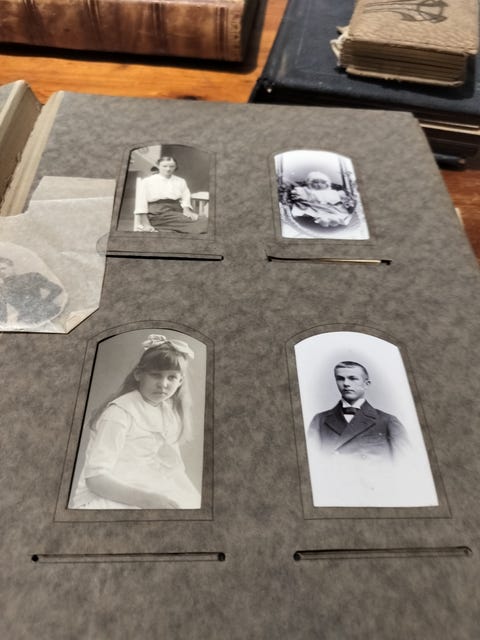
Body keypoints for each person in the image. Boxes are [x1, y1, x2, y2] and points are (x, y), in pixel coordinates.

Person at [70, 334, 201, 509]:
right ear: (139, 374)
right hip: (111, 490)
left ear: (180, 381)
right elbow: (95, 479)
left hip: (146, 483)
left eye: (172, 377)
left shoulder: (168, 412)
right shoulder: (119, 413)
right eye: (156, 375)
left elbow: (172, 467)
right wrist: (148, 500)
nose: (163, 384)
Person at [308, 360, 410, 461]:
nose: (346, 383)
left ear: (366, 384)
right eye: (340, 379)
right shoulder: (319, 420)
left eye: (352, 378)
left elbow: (406, 463)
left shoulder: (387, 421)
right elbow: (311, 461)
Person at [133, 155, 207, 234]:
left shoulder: (180, 181)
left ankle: (167, 229)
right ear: (158, 166)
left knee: (202, 220)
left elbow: (186, 196)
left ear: (175, 167)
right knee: (204, 223)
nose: (168, 169)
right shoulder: (147, 181)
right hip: (158, 213)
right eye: (164, 166)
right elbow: (141, 203)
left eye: (171, 166)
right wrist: (146, 224)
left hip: (177, 211)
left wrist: (187, 210)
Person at [0, 256, 64, 326]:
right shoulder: (1, 289)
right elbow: (2, 314)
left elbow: (56, 289)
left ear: (12, 267)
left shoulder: (31, 276)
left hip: (47, 312)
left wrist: (45, 302)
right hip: (27, 320)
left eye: (3, 268)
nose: (1, 272)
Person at [290, 171, 354, 228]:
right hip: (315, 210)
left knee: (337, 217)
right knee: (323, 219)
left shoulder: (334, 192)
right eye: (315, 182)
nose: (319, 185)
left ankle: (334, 222)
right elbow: (301, 200)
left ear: (327, 184)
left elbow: (341, 203)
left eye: (323, 182)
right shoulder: (306, 191)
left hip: (332, 210)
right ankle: (324, 223)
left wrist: (346, 203)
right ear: (310, 183)